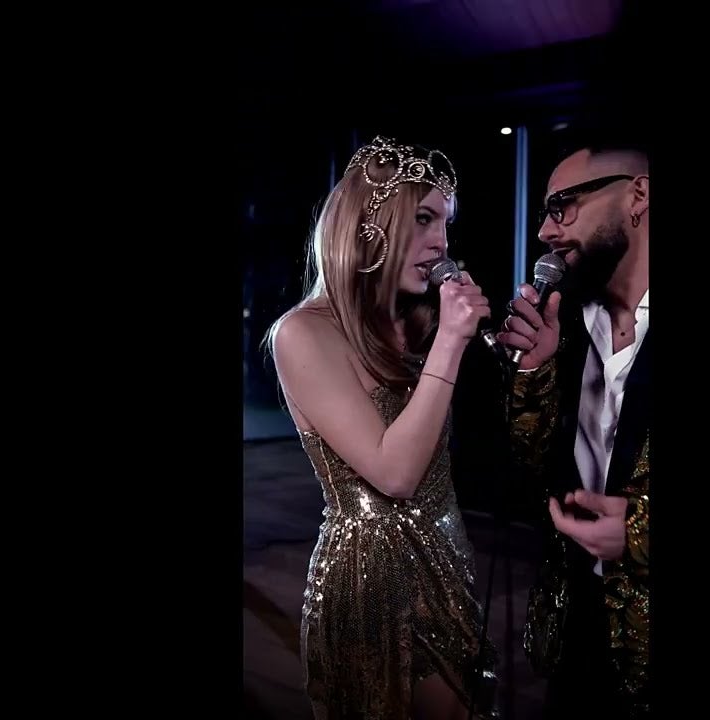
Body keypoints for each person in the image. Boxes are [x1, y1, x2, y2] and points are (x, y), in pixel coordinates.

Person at [265, 136, 498, 720]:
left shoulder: (415, 325)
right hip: (371, 582)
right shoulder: (303, 333)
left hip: (447, 563)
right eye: (422, 219)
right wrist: (451, 342)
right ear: (369, 225)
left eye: (445, 223)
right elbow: (394, 473)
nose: (441, 242)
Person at [495, 137, 652, 718]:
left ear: (638, 196)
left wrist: (637, 532)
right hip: (577, 632)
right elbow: (525, 476)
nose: (545, 231)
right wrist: (531, 375)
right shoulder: (564, 326)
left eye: (562, 206)